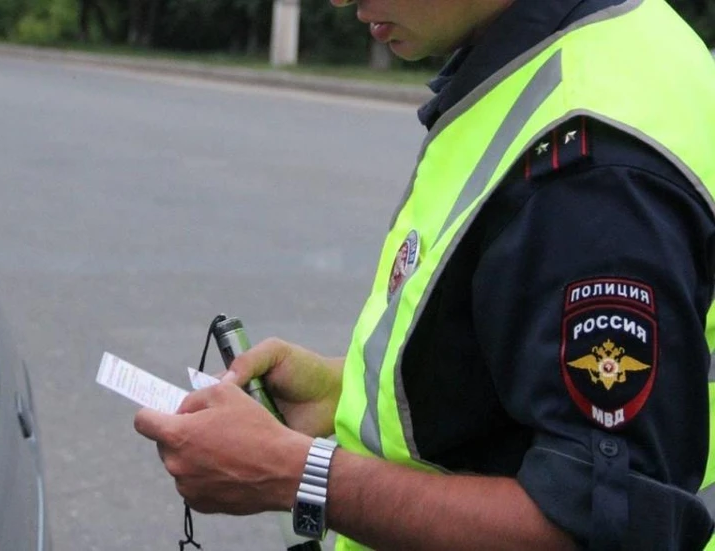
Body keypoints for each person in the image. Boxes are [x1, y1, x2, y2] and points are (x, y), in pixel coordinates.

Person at [134, 0, 715, 548]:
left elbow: (598, 526)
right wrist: (340, 392)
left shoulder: (589, 171)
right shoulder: (617, 40)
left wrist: (298, 475)